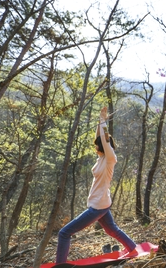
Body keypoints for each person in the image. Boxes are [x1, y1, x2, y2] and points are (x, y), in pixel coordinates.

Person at [56, 106, 137, 263]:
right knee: (112, 230)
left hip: (97, 206)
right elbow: (100, 137)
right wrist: (100, 120)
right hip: (102, 203)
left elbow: (105, 139)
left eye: (96, 146)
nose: (95, 148)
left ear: (102, 147)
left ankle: (60, 265)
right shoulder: (101, 158)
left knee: (64, 233)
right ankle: (131, 247)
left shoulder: (109, 159)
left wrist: (103, 120)